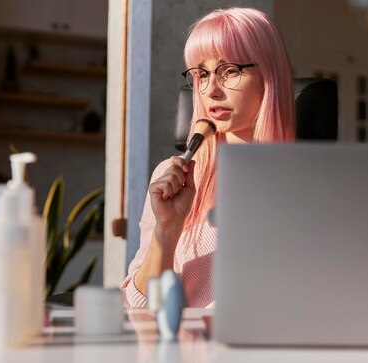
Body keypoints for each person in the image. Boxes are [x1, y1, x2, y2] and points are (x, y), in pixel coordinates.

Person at [121, 7, 296, 308]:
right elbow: (139, 304)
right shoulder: (173, 176)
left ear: (269, 74)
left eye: (229, 70)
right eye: (201, 74)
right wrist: (167, 229)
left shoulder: (306, 183)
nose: (211, 89)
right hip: (181, 347)